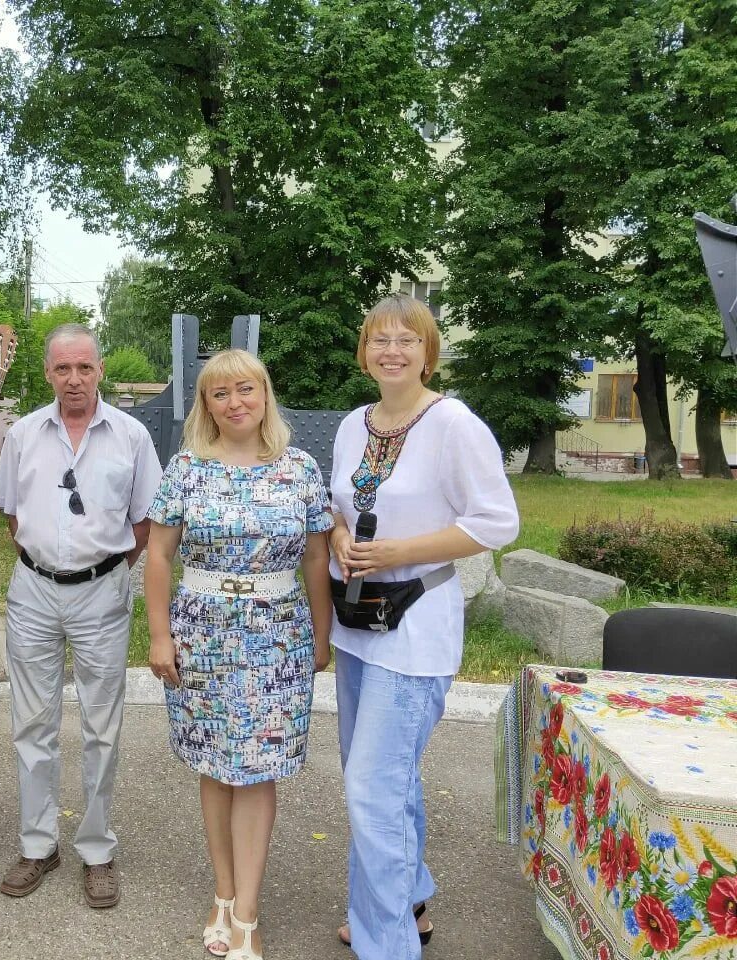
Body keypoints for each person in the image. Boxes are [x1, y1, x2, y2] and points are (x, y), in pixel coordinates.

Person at [328, 294, 519, 959]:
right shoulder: (355, 423)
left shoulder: (453, 423)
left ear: (428, 351)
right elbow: (339, 503)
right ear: (364, 352)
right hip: (357, 622)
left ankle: (387, 943)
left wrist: (398, 553)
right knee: (384, 776)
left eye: (407, 340)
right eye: (380, 340)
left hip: (414, 630)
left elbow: (498, 522)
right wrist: (343, 536)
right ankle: (406, 895)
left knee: (372, 789)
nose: (392, 351)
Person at [144, 349, 334, 960]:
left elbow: (314, 558)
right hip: (201, 632)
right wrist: (158, 634)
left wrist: (322, 634)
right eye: (220, 393)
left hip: (276, 632)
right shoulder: (186, 469)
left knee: (257, 770)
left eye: (245, 389)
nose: (235, 403)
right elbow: (158, 556)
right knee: (217, 767)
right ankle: (221, 896)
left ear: (264, 394)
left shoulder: (300, 469)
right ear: (206, 404)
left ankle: (247, 912)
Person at [0, 323, 162, 908]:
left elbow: (145, 523)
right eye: (62, 369)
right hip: (34, 591)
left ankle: (96, 850)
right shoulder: (20, 435)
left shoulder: (133, 437)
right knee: (32, 724)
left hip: (102, 593)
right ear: (47, 373)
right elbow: (10, 516)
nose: (73, 379)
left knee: (101, 729)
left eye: (84, 368)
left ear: (100, 370)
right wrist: (49, 564)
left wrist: (104, 571)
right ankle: (38, 845)